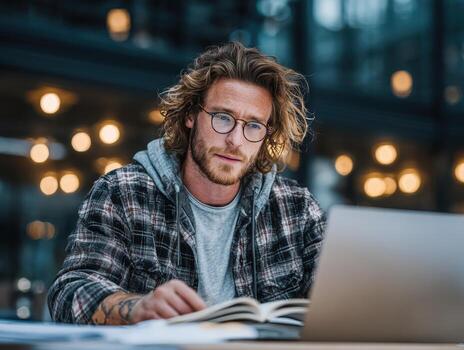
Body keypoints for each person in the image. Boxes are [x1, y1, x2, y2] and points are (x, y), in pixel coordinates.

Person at [47, 42, 326, 325]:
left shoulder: (297, 210)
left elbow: (343, 308)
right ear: (191, 115)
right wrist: (137, 308)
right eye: (223, 117)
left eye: (253, 125)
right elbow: (69, 294)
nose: (235, 141)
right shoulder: (124, 192)